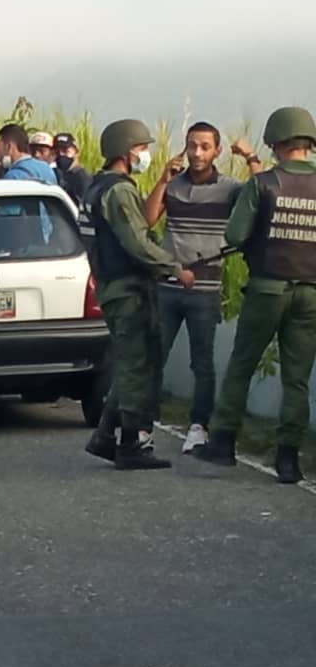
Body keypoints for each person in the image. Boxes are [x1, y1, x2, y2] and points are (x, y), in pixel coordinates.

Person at [191, 107, 316, 484]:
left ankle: (223, 442)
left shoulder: (263, 184)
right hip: (310, 294)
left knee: (242, 364)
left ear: (275, 142)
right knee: (297, 378)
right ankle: (288, 459)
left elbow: (234, 235)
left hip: (266, 289)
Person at [139, 122, 262, 454]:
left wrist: (250, 157)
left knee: (202, 362)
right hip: (168, 285)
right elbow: (147, 220)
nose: (197, 153)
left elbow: (261, 194)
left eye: (205, 147)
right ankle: (144, 426)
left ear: (216, 151)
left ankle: (198, 427)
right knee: (155, 357)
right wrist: (163, 180)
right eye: (192, 145)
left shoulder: (228, 188)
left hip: (205, 289)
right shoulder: (174, 185)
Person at [82, 119, 195, 470]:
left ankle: (105, 436)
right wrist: (175, 268)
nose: (145, 154)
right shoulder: (118, 191)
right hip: (127, 290)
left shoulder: (97, 186)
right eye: (142, 148)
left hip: (114, 287)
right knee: (136, 367)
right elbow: (137, 241)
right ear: (126, 151)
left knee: (131, 364)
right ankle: (130, 444)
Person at [54, 132, 93, 207]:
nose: (61, 155)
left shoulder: (83, 178)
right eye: (57, 152)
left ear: (76, 152)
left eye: (65, 151)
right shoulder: (55, 173)